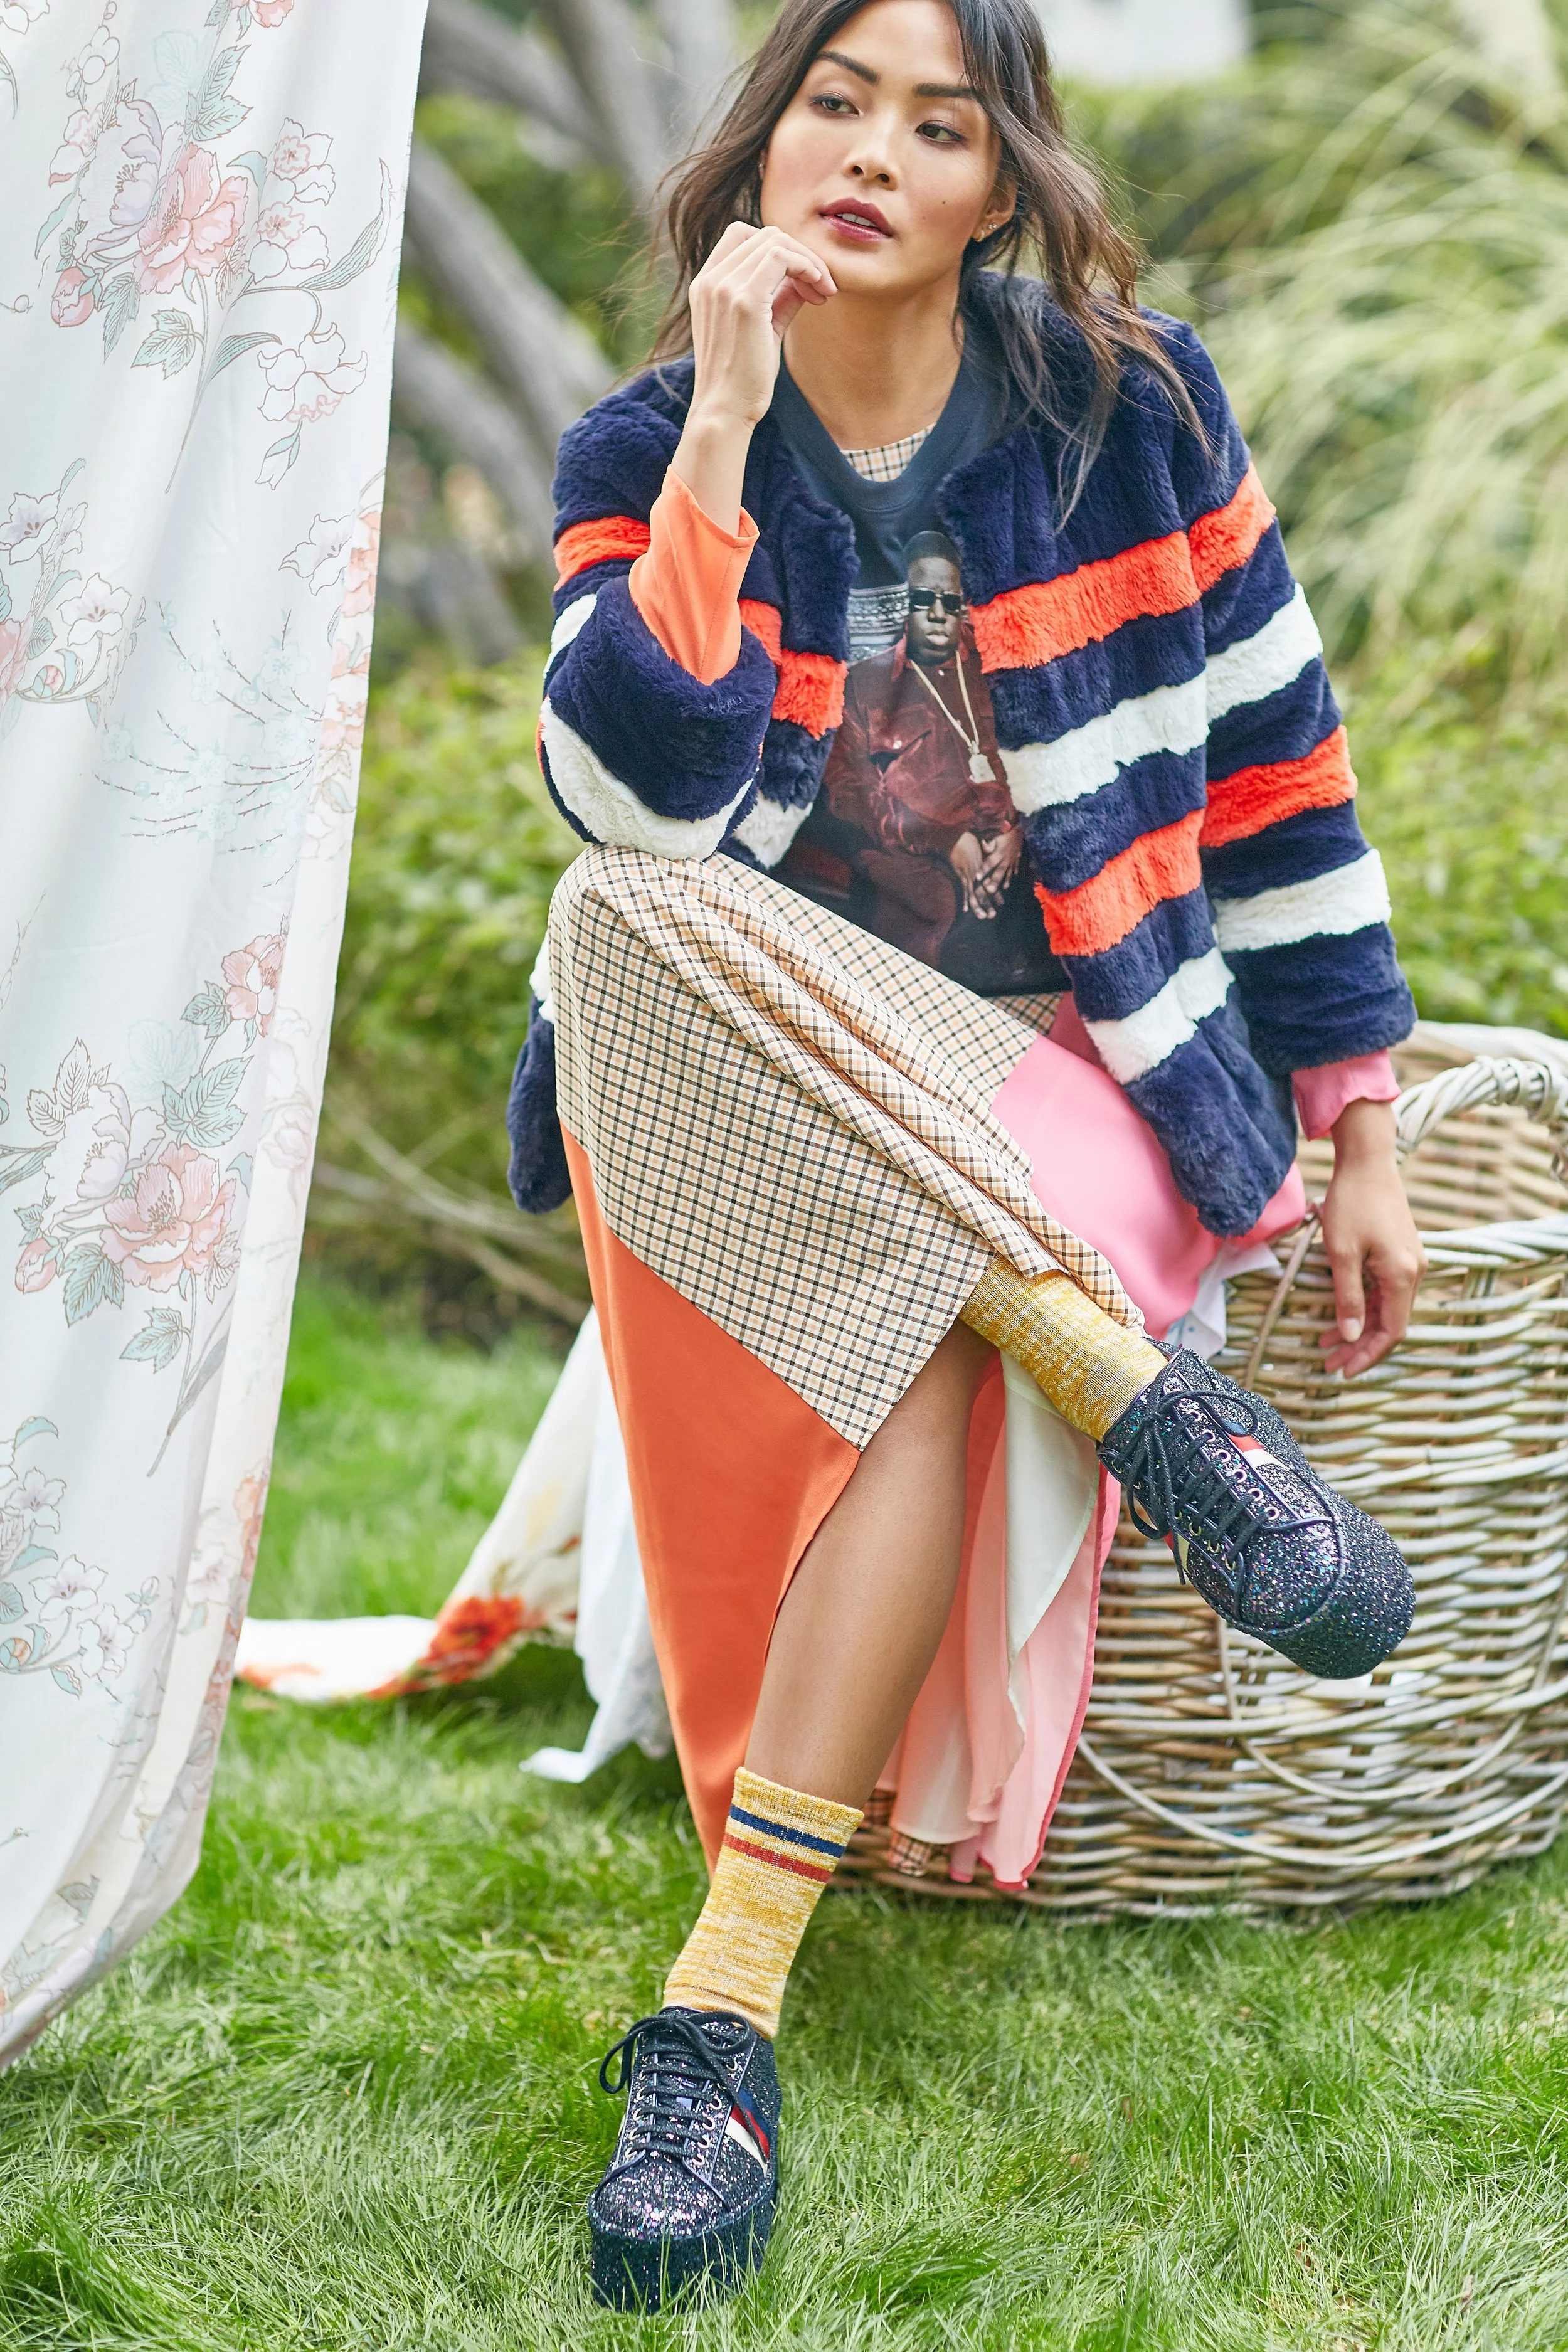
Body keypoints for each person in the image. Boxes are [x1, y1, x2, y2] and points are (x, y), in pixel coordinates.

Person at [504, 0, 1426, 2307]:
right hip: (772, 1080)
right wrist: (725, 417)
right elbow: (630, 806)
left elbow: (1280, 765)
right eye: (835, 101)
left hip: (1080, 1080)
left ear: (999, 179)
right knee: (617, 901)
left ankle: (719, 2009)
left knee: (919, 1312)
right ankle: (1123, 1386)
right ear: (767, 133)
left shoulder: (1132, 408)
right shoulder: (644, 434)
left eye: (938, 122)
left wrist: (1365, 1111)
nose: (874, 154)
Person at [781, 529, 1044, 982]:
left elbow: (1044, 750)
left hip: (1015, 848)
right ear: (907, 604)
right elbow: (849, 795)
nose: (939, 615)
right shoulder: (864, 684)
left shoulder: (999, 665)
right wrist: (948, 844)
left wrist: (1018, 833)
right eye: (925, 600)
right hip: (914, 857)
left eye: (951, 602)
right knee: (932, 908)